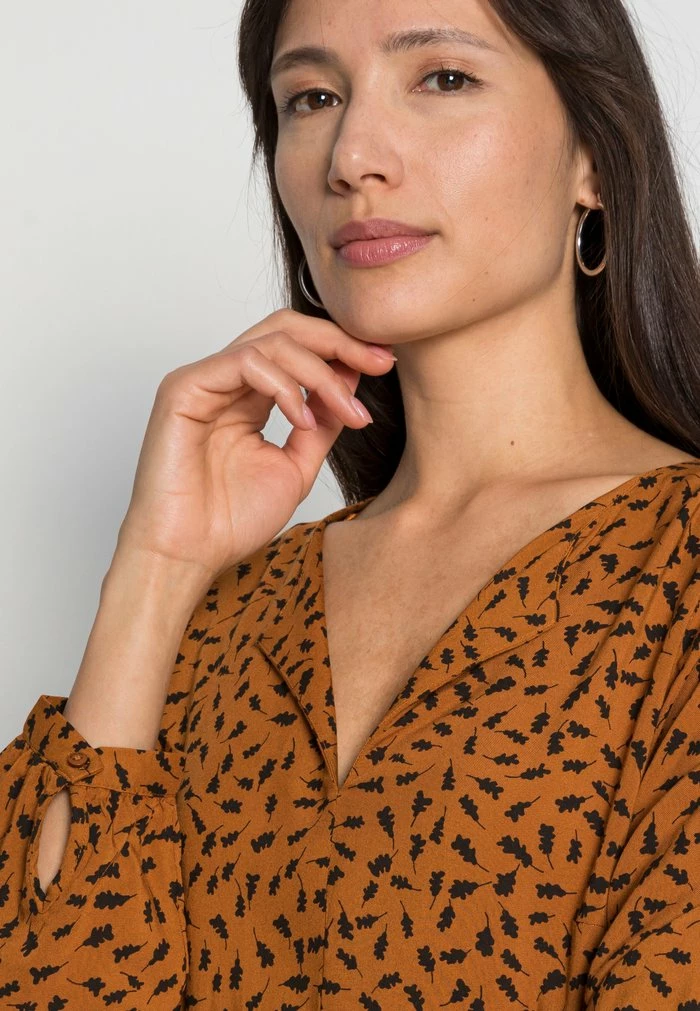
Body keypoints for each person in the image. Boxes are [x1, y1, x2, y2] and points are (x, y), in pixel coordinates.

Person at [1, 0, 699, 1007]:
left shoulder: (675, 571)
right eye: (313, 98)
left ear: (593, 152)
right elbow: (51, 984)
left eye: (443, 79)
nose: (353, 158)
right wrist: (156, 568)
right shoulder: (225, 614)